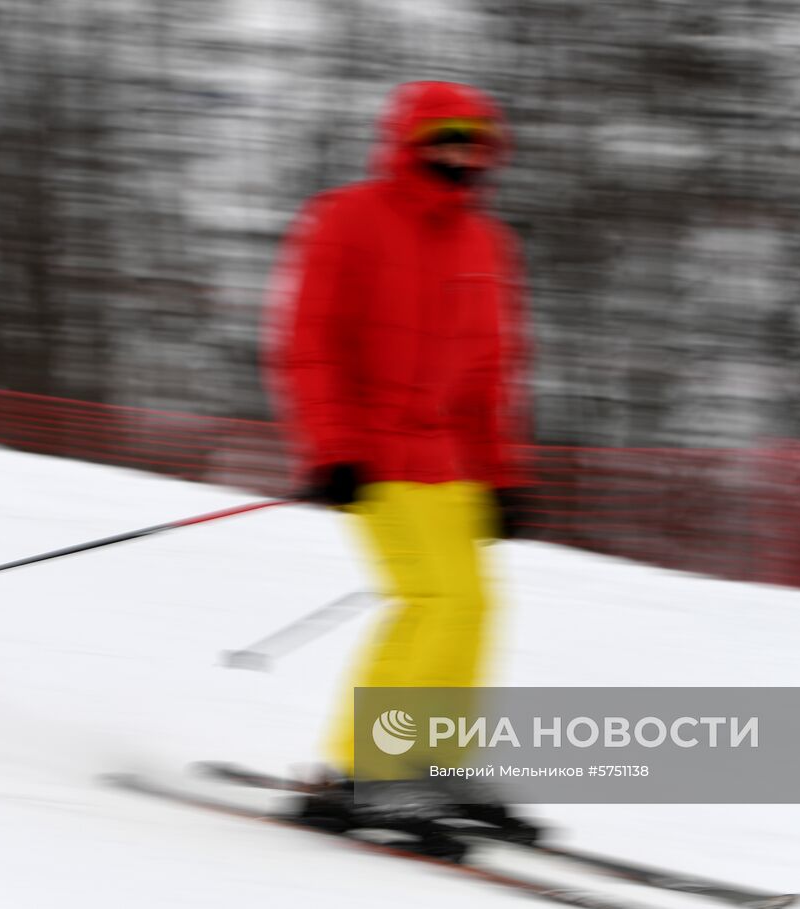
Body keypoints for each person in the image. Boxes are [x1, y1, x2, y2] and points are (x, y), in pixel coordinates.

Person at [267, 80, 537, 849]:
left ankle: (435, 762)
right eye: (446, 138)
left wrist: (504, 475)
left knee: (477, 605)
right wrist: (332, 449)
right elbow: (307, 344)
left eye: (473, 141)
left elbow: (493, 374)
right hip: (375, 454)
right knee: (433, 599)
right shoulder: (346, 219)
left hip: (448, 463)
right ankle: (367, 774)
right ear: (411, 140)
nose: (460, 154)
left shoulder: (488, 244)